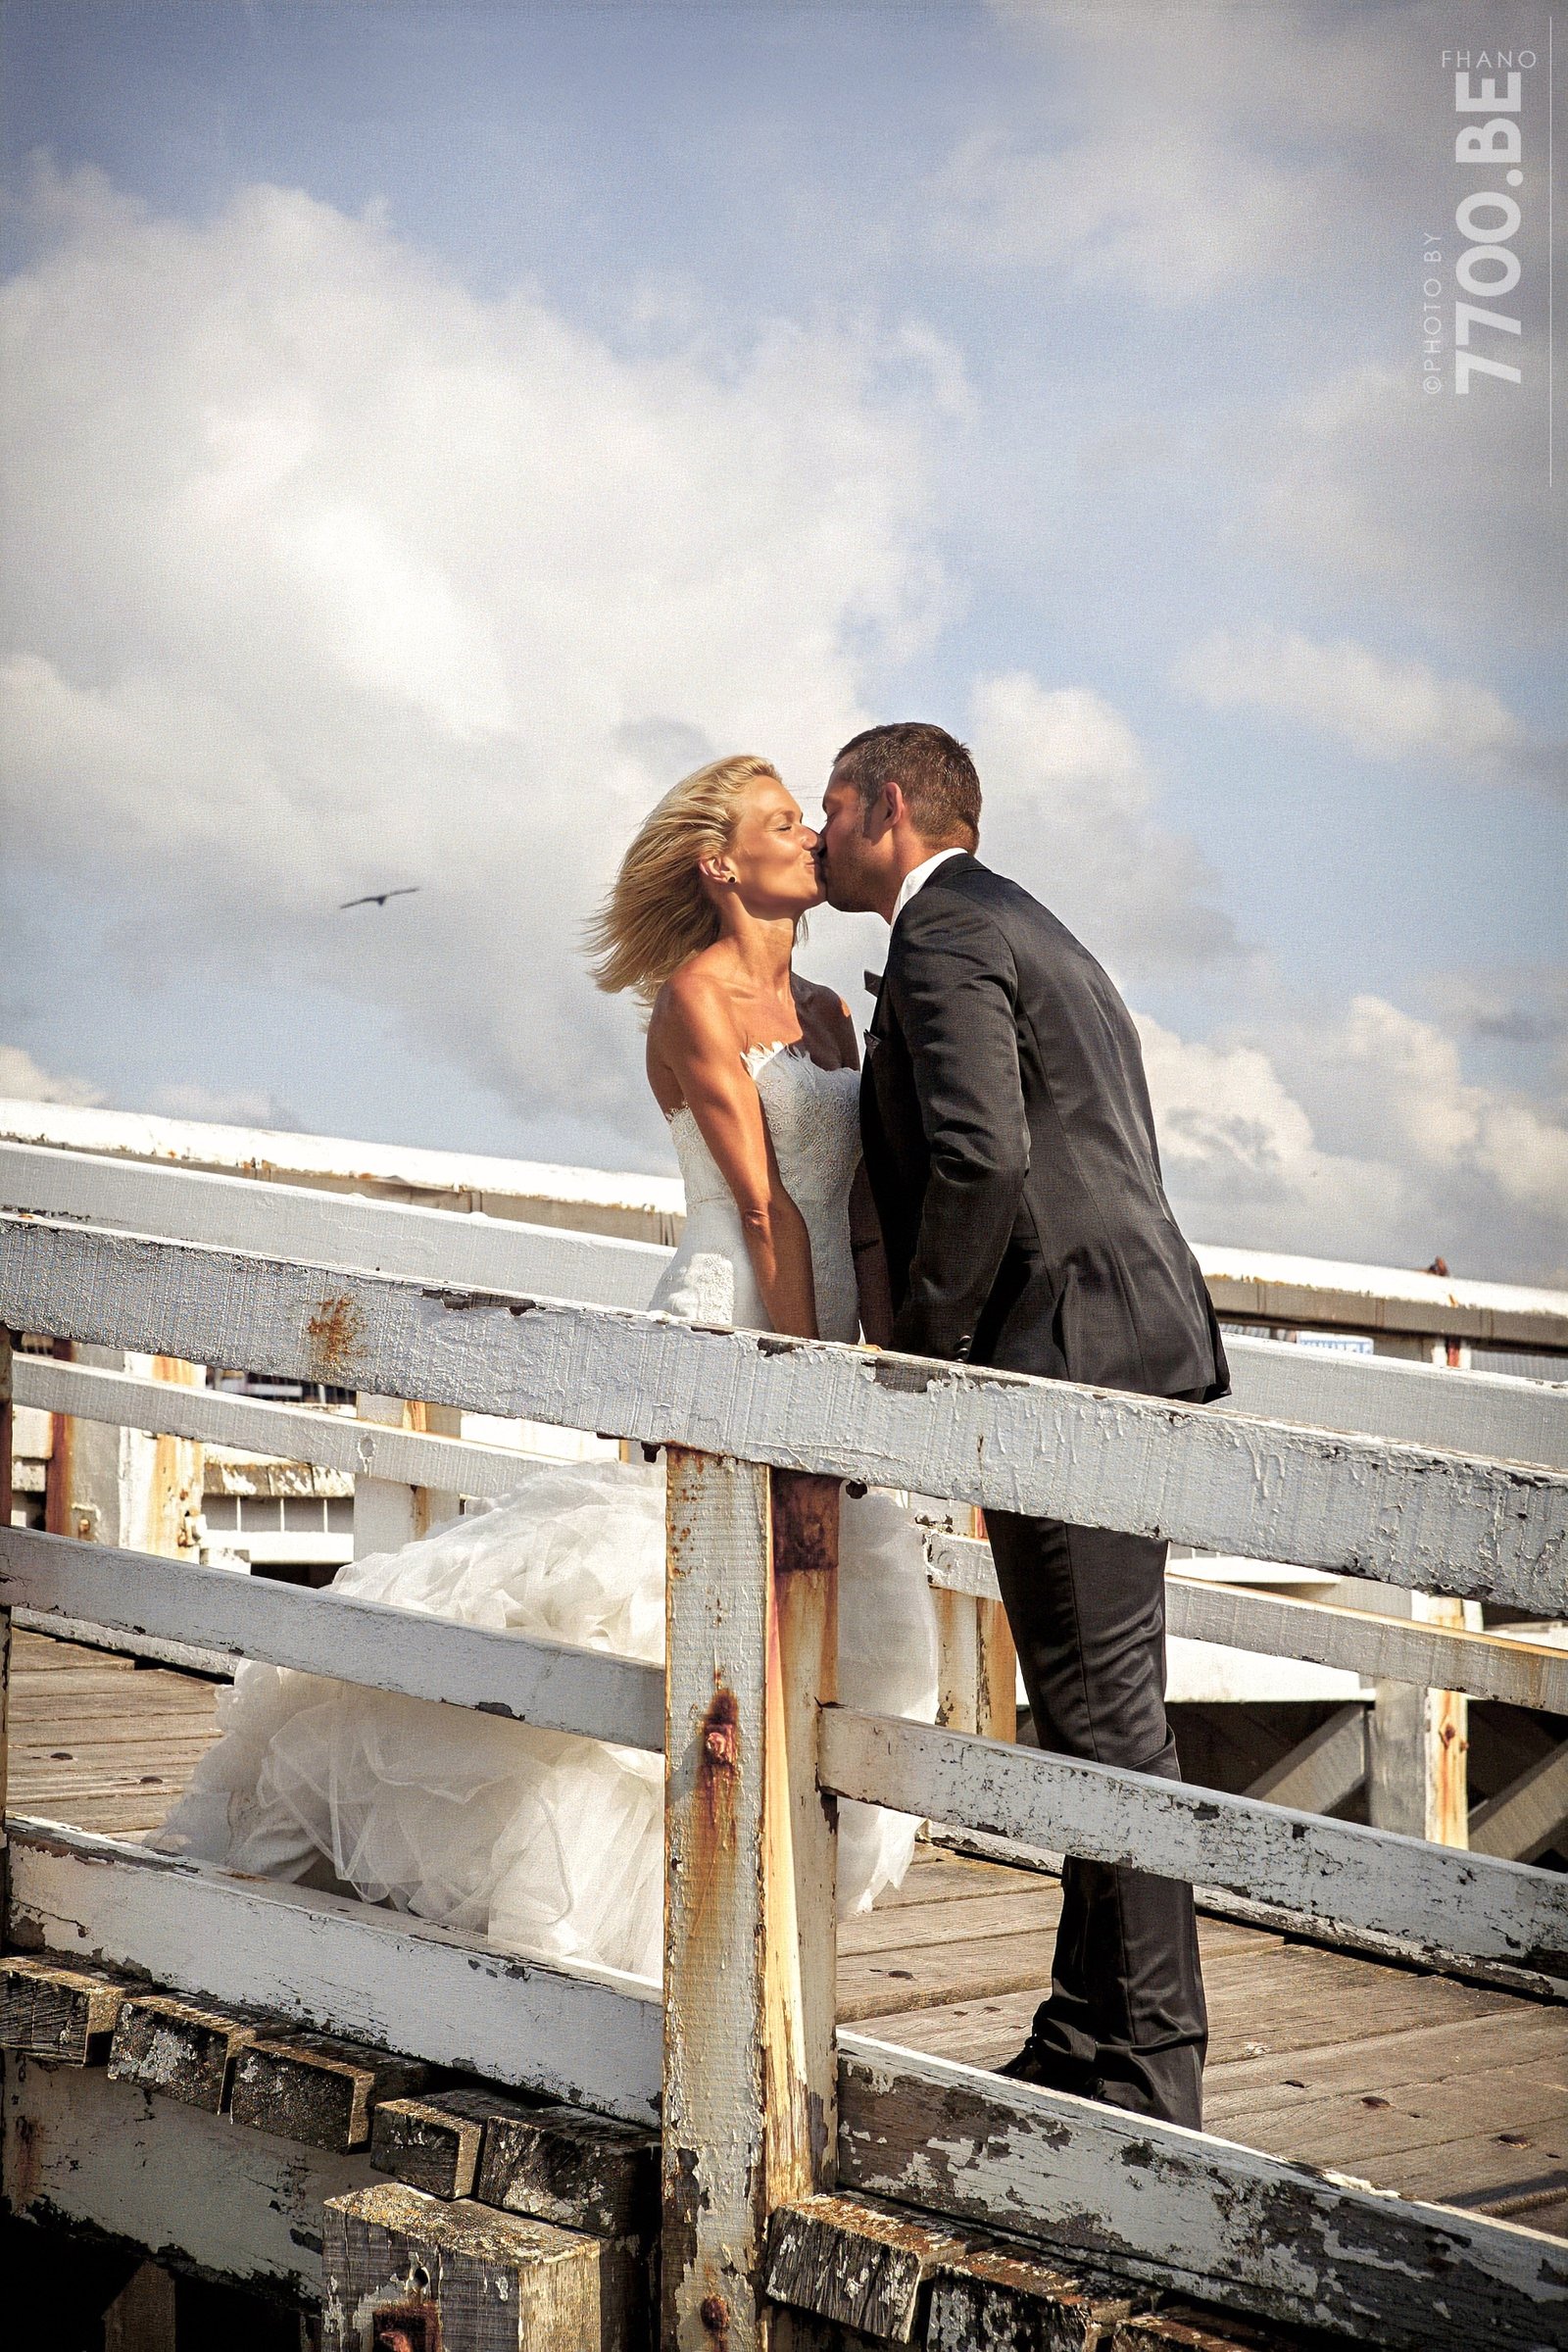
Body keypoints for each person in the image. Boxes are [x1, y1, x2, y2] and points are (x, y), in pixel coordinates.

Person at [149, 755, 937, 1980]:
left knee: (816, 1615)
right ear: (722, 864)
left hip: (826, 1337)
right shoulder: (694, 999)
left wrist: (879, 1365)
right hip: (739, 1328)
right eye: (783, 823)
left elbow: (863, 1213)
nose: (808, 839)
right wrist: (801, 1394)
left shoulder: (832, 1013)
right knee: (659, 1599)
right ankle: (603, 1921)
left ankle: (739, 1911)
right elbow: (769, 1210)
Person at [816, 719, 1229, 2131]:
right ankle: (1089, 2032)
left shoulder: (945, 938)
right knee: (1102, 1708)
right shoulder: (1025, 925)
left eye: (829, 809)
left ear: (882, 806)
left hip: (1072, 1353)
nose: (818, 838)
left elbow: (986, 1154)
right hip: (1124, 1336)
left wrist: (925, 1355)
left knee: (1108, 1718)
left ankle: (1148, 2065)